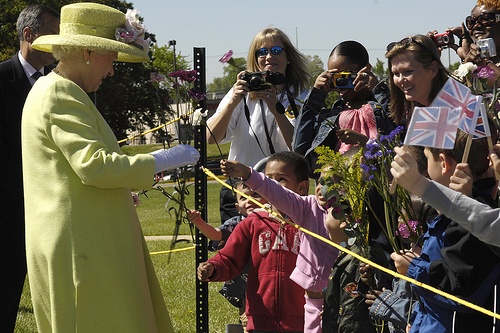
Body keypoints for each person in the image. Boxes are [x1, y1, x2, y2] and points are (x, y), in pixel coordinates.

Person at [21, 3, 200, 332]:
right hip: (85, 249)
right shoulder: (60, 93)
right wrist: (165, 159)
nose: (113, 71)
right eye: (112, 60)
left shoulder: (59, 90)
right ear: (88, 51)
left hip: (86, 242)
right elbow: (95, 166)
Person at [388, 130, 500, 333]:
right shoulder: (460, 210)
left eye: (427, 156)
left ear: (443, 162)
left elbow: (461, 288)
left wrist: (414, 269)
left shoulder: (478, 212)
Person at [220, 151, 339, 333]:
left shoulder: (351, 217)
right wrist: (248, 174)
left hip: (337, 299)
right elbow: (275, 192)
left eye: (333, 183)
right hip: (312, 302)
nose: (323, 188)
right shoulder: (306, 208)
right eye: (322, 181)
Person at [206, 26, 310, 222]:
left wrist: (275, 108)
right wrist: (233, 101)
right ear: (255, 60)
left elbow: (299, 147)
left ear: (288, 57)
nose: (269, 56)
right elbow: (211, 138)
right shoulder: (243, 94)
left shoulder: (301, 96)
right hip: (243, 193)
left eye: (276, 51)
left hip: (283, 191)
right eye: (262, 52)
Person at [198, 152, 309, 333]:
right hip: (259, 320)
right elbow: (229, 258)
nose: (272, 185)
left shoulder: (311, 223)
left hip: (302, 321)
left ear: (302, 187)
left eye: (281, 179)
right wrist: (213, 267)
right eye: (268, 179)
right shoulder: (253, 222)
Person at [0, 5, 59, 332]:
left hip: (47, 217)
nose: (57, 46)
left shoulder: (55, 86)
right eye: (52, 36)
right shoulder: (1, 79)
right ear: (29, 35)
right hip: (8, 218)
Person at [293, 40, 394, 177]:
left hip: (379, 185)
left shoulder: (382, 106)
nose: (340, 82)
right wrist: (316, 95)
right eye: (335, 77)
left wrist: (377, 88)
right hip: (340, 186)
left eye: (346, 75)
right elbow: (300, 149)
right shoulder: (331, 114)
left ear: (365, 69)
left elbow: (400, 131)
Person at [188, 181, 269, 333]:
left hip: (272, 283)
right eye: (243, 198)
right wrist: (198, 222)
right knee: (250, 322)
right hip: (247, 289)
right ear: (237, 207)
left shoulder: (275, 221)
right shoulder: (237, 224)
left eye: (255, 195)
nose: (249, 200)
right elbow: (216, 235)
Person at [385, 34, 449, 126]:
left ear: (433, 69)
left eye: (408, 71)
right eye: (396, 74)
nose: (400, 80)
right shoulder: (410, 114)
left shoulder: (466, 110)